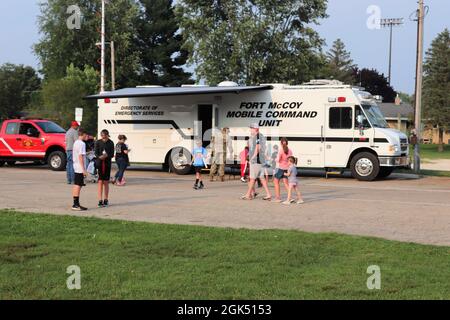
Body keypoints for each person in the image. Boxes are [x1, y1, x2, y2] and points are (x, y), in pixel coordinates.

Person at [241, 123, 272, 200]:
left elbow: (258, 148)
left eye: (251, 128)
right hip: (260, 160)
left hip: (256, 160)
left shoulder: (258, 136)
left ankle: (248, 195)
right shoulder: (259, 136)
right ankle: (268, 194)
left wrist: (252, 157)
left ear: (256, 129)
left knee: (252, 178)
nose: (250, 130)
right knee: (262, 178)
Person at [95, 129, 115, 207]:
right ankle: (100, 200)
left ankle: (106, 199)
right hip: (100, 163)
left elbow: (112, 154)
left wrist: (107, 155)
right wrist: (100, 157)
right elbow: (96, 152)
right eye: (102, 136)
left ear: (107, 135)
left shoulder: (111, 142)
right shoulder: (98, 142)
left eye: (105, 136)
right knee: (100, 182)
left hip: (107, 164)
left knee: (106, 182)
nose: (103, 137)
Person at [71, 129, 88, 211]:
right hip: (79, 167)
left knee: (78, 184)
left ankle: (76, 203)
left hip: (76, 165)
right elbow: (80, 157)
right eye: (86, 134)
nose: (87, 136)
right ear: (83, 134)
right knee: (78, 185)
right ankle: (75, 204)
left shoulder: (76, 142)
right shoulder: (82, 144)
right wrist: (84, 169)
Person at [273, 138, 292, 203]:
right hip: (287, 168)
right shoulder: (290, 151)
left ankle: (278, 198)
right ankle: (290, 197)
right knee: (286, 183)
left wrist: (274, 159)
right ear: (287, 143)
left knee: (275, 182)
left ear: (281, 143)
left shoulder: (281, 151)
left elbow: (278, 160)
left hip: (281, 168)